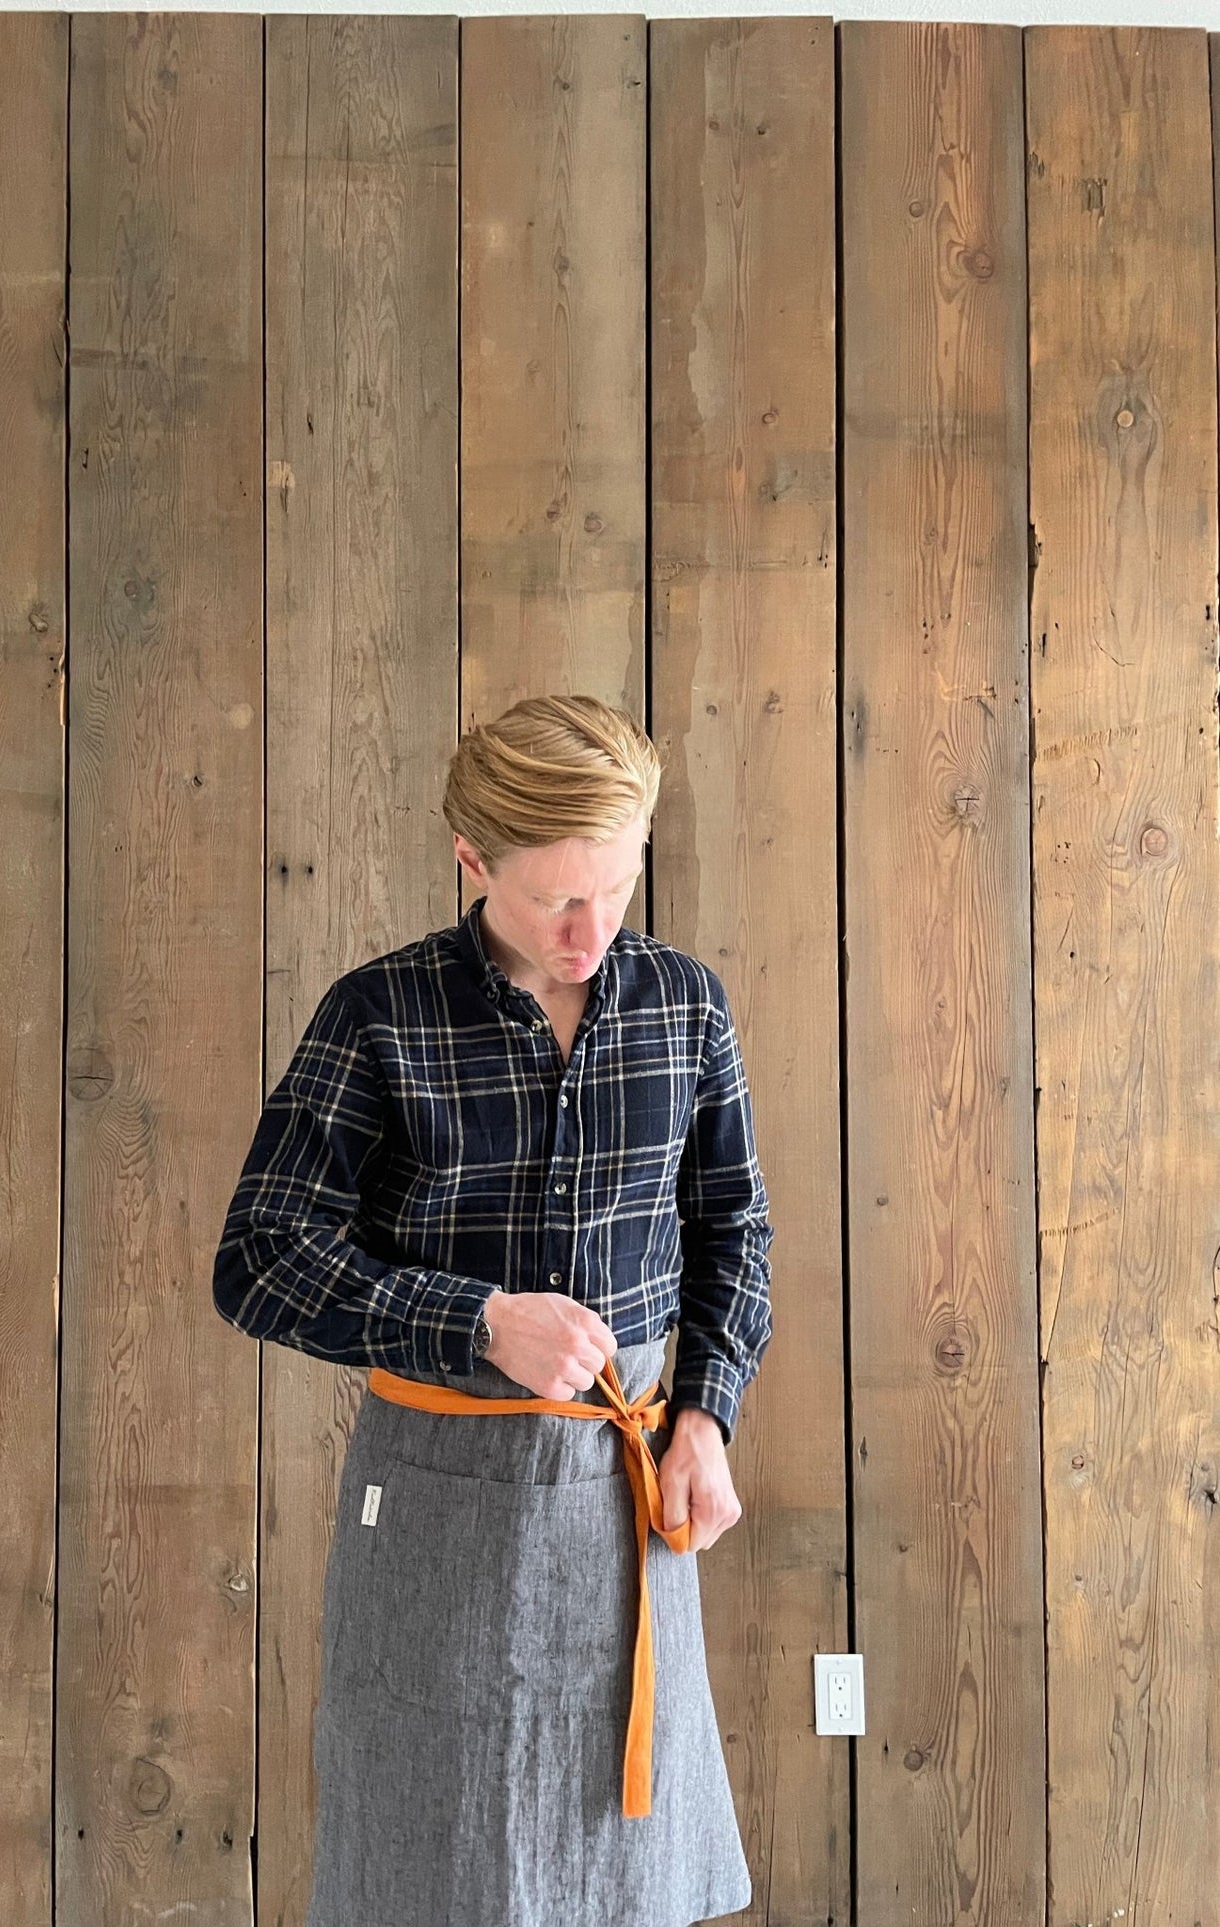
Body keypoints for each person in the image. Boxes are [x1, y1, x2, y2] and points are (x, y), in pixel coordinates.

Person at [213, 693, 775, 1926]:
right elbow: (256, 1258)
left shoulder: (683, 1006)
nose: (588, 932)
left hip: (621, 1510)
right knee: (431, 1864)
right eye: (550, 899)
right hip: (430, 1513)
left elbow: (734, 1237)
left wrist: (703, 1417)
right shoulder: (379, 1015)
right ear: (472, 862)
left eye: (614, 889)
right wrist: (472, 1320)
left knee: (620, 1871)